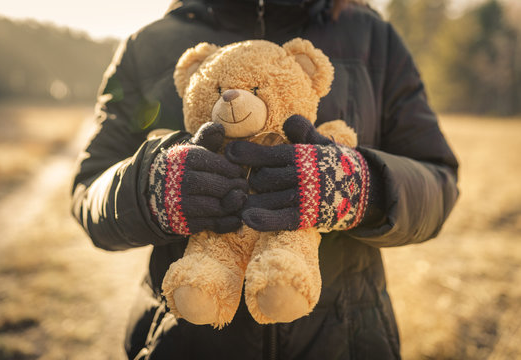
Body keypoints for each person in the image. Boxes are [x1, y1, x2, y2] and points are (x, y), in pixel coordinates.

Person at [71, 0, 459, 358]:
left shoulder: (372, 37)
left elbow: (439, 181)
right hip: (184, 340)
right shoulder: (150, 43)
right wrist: (150, 188)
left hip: (348, 341)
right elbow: (89, 189)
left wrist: (360, 189)